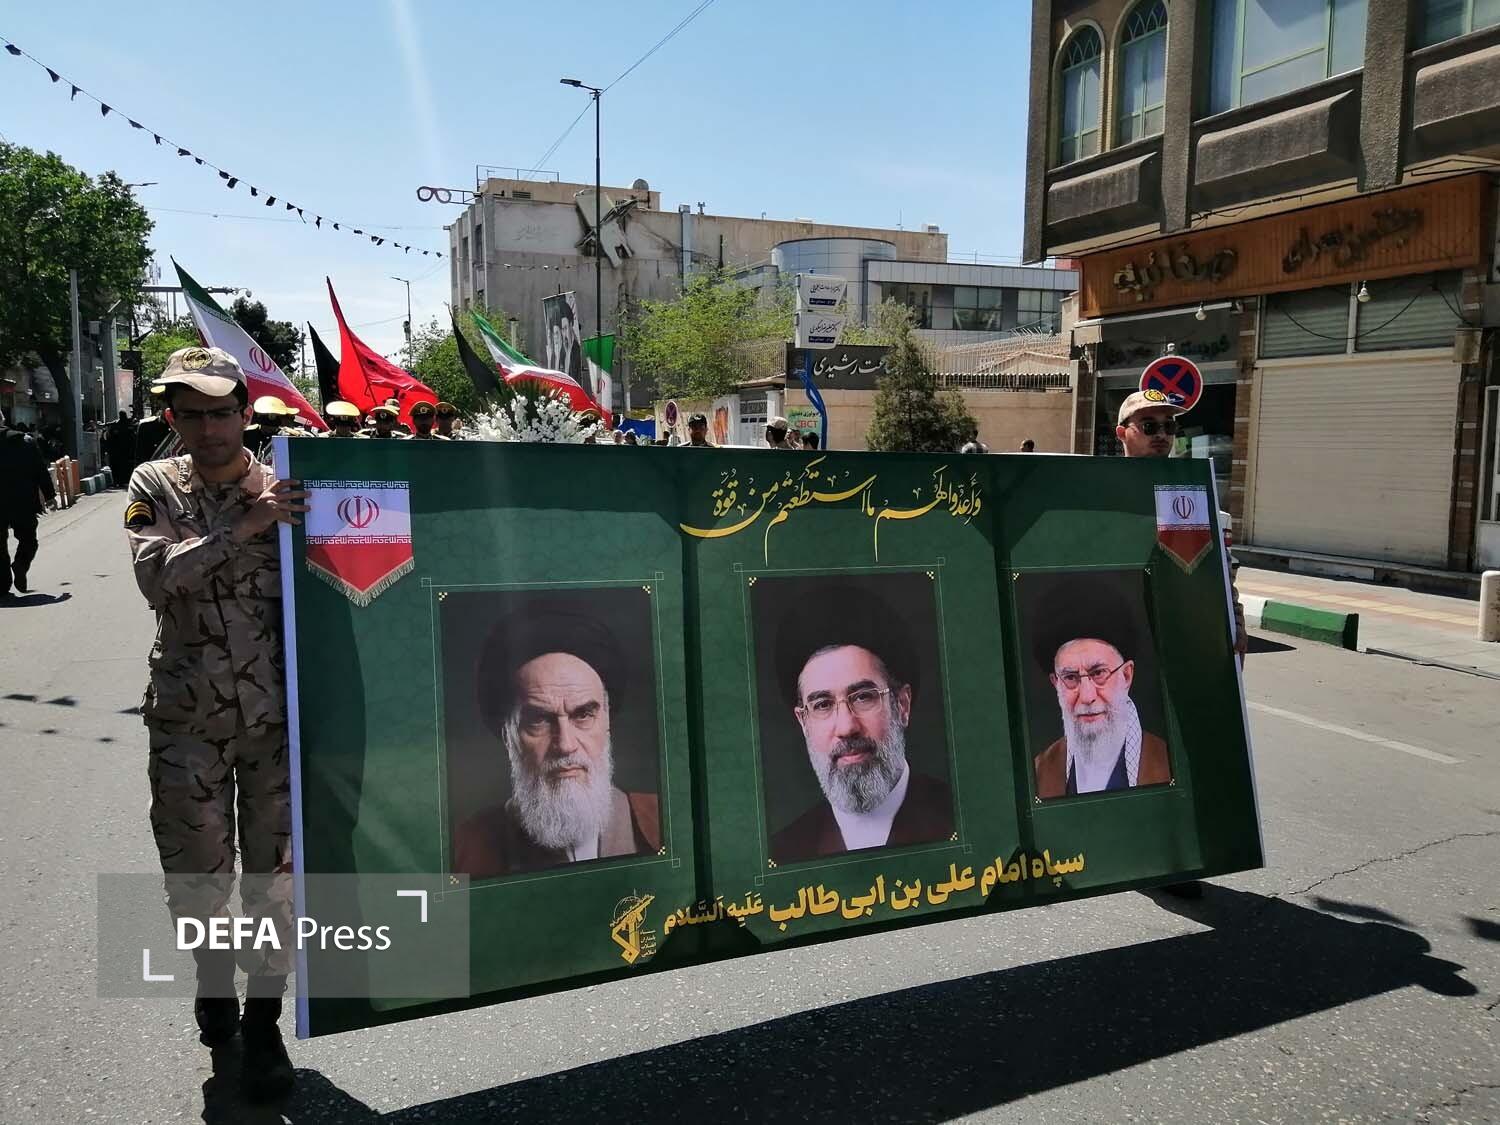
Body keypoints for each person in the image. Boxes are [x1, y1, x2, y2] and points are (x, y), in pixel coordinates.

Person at [123, 346, 307, 1102]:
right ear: (173, 418)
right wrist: (243, 527)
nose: (207, 428)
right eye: (191, 414)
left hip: (276, 725)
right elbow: (156, 578)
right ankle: (210, 975)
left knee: (276, 881)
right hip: (187, 722)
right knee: (197, 875)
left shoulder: (290, 486)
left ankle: (263, 1025)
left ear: (244, 412)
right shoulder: (154, 485)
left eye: (220, 412)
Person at [453, 604, 660, 877]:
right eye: (539, 720)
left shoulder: (661, 819)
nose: (565, 744)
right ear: (507, 735)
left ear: (607, 720)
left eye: (583, 715)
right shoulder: (464, 850)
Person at [769, 585, 952, 864]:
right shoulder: (782, 854)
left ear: (902, 705)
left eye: (863, 697)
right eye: (822, 705)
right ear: (803, 722)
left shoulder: (965, 816)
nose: (846, 727)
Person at [1115, 390, 1247, 660]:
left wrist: (1235, 622)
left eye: (1169, 426)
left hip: (1181, 633)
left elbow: (1217, 568)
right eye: (1149, 426)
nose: (1162, 434)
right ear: (1122, 433)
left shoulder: (1189, 489)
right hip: (1121, 632)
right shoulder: (1104, 490)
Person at [1031, 579, 1170, 800]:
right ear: (1056, 683)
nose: (1087, 697)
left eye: (1098, 673)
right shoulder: (1039, 774)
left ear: (1126, 675)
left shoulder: (1171, 764)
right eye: (1070, 677)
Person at [1, 407, 58, 595]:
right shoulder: (25, 441)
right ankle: (21, 564)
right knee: (29, 540)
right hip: (22, 501)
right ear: (3, 420)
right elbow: (40, 471)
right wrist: (50, 496)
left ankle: (2, 585)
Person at [103, 410, 137, 489]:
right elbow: (110, 438)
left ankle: (122, 481)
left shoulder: (128, 424)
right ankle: (117, 481)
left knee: (125, 466)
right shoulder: (116, 425)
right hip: (118, 451)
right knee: (117, 466)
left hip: (125, 451)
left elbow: (134, 438)